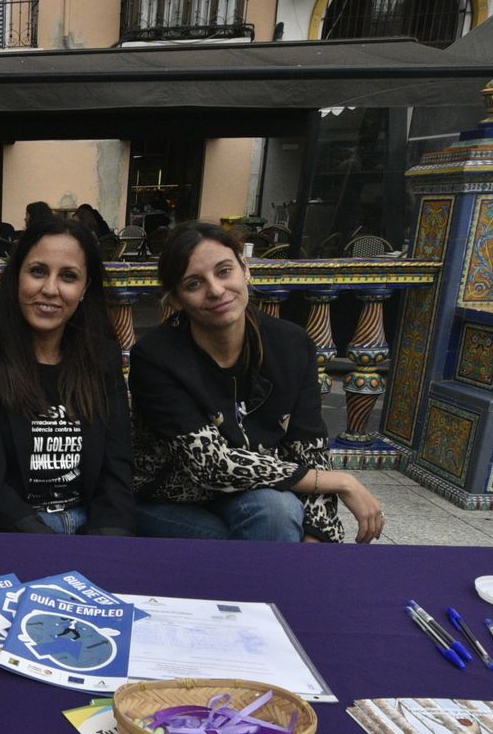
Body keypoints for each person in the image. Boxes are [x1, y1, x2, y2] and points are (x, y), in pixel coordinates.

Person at [128, 221, 384, 543]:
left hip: (249, 492)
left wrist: (318, 533)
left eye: (224, 271)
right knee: (231, 536)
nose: (216, 290)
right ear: (176, 299)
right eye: (194, 284)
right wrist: (343, 481)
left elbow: (309, 449)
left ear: (245, 269)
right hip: (165, 497)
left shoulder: (291, 344)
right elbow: (212, 464)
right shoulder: (155, 356)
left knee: (278, 513)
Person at [0, 217, 133, 535]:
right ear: (17, 276)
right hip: (10, 530)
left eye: (68, 276)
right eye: (38, 271)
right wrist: (47, 545)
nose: (49, 289)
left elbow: (117, 470)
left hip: (88, 524)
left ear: (85, 288)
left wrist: (109, 542)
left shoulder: (102, 359)